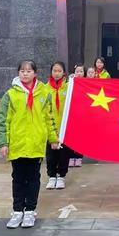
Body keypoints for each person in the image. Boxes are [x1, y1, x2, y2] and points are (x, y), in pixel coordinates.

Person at [0, 60, 58, 229]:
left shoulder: (44, 93)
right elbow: (2, 120)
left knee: (33, 178)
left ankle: (30, 210)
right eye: (22, 71)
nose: (25, 73)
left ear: (35, 73)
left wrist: (53, 138)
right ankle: (17, 211)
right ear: (18, 73)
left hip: (36, 145)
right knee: (17, 178)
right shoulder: (10, 95)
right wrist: (3, 143)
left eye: (29, 71)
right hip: (17, 144)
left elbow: (49, 117)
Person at [45, 61, 73, 190]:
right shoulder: (45, 89)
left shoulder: (68, 87)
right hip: (49, 126)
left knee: (63, 154)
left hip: (64, 127)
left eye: (59, 71)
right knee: (51, 154)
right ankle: (51, 176)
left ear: (64, 73)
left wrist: (76, 81)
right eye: (54, 71)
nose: (56, 73)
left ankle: (61, 176)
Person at [69, 63, 85, 167]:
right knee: (71, 136)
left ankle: (79, 157)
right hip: (72, 113)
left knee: (80, 137)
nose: (79, 73)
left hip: (82, 114)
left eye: (81, 71)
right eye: (77, 71)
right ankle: (71, 157)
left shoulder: (87, 83)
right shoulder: (70, 82)